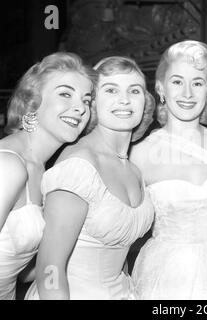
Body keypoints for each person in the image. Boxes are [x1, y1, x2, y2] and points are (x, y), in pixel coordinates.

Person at [25, 56, 155, 300]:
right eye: (111, 90)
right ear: (93, 103)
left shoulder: (134, 169)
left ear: (145, 102)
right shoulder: (79, 166)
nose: (124, 100)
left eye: (134, 90)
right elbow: (49, 268)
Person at [129, 40, 207, 300]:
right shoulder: (140, 153)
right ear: (161, 88)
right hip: (164, 276)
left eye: (198, 83)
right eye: (177, 82)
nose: (188, 93)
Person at [0, 52, 95, 300]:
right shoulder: (8, 165)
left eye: (86, 100)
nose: (80, 108)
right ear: (33, 103)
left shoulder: (41, 169)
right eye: (65, 94)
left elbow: (22, 270)